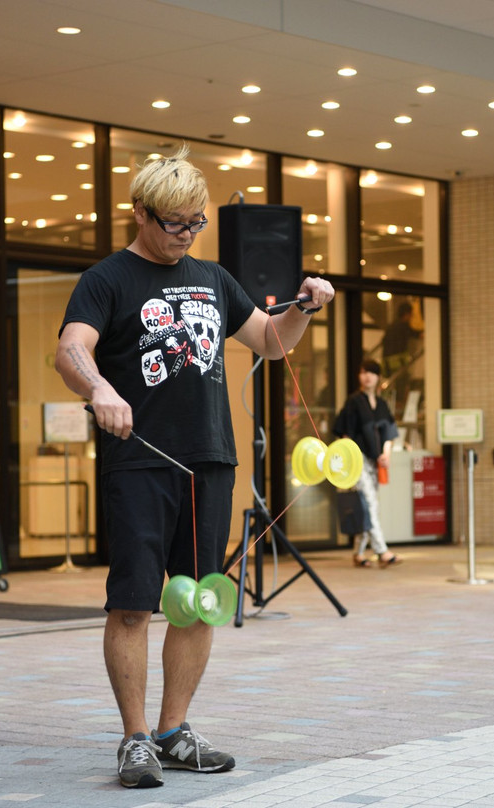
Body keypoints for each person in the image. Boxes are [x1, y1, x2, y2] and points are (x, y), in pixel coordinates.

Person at [54, 144, 334, 789]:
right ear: (141, 214)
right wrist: (99, 389)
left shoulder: (212, 276)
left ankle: (174, 731)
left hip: (210, 459)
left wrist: (302, 310)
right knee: (132, 606)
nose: (186, 234)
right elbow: (72, 349)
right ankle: (134, 741)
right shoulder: (107, 280)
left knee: (199, 602)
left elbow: (267, 339)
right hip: (140, 463)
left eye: (196, 221)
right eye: (174, 222)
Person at [333, 359, 402, 568]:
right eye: (363, 372)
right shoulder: (354, 401)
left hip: (375, 461)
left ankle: (359, 553)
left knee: (367, 505)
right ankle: (382, 551)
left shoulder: (382, 405)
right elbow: (345, 434)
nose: (367, 376)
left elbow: (390, 433)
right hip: (358, 460)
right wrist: (346, 463)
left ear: (378, 377)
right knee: (370, 503)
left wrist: (385, 454)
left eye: (371, 372)